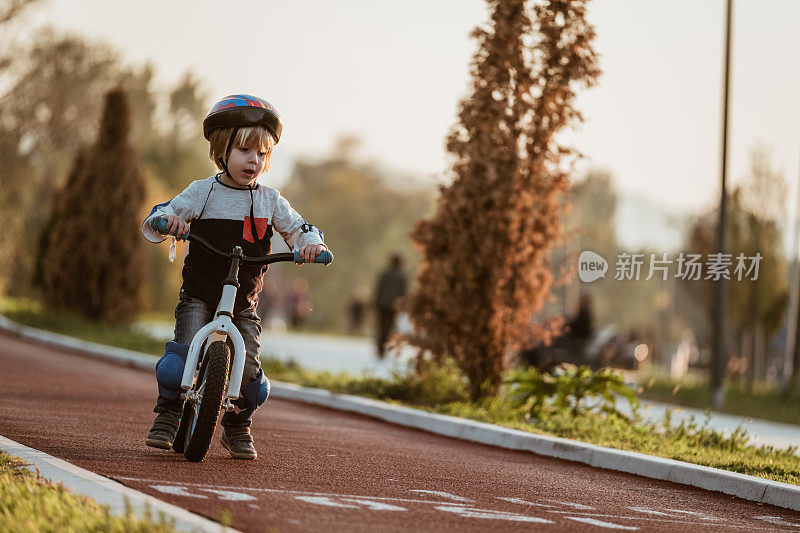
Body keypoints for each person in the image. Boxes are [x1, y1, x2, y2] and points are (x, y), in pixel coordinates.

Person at [140, 94, 327, 460]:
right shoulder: (203, 192)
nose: (253, 160)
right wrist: (170, 222)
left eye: (261, 154)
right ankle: (168, 413)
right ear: (221, 150)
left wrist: (311, 245)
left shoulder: (270, 200)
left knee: (252, 381)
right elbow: (161, 214)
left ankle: (238, 426)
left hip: (243, 302)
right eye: (244, 150)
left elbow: (300, 228)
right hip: (200, 292)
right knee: (179, 360)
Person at [374, 254, 407, 358]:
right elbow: (403, 293)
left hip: (382, 305)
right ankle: (385, 347)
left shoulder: (384, 273)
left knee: (381, 327)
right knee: (390, 328)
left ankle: (380, 349)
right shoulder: (402, 276)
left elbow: (378, 290)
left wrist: (375, 303)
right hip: (393, 307)